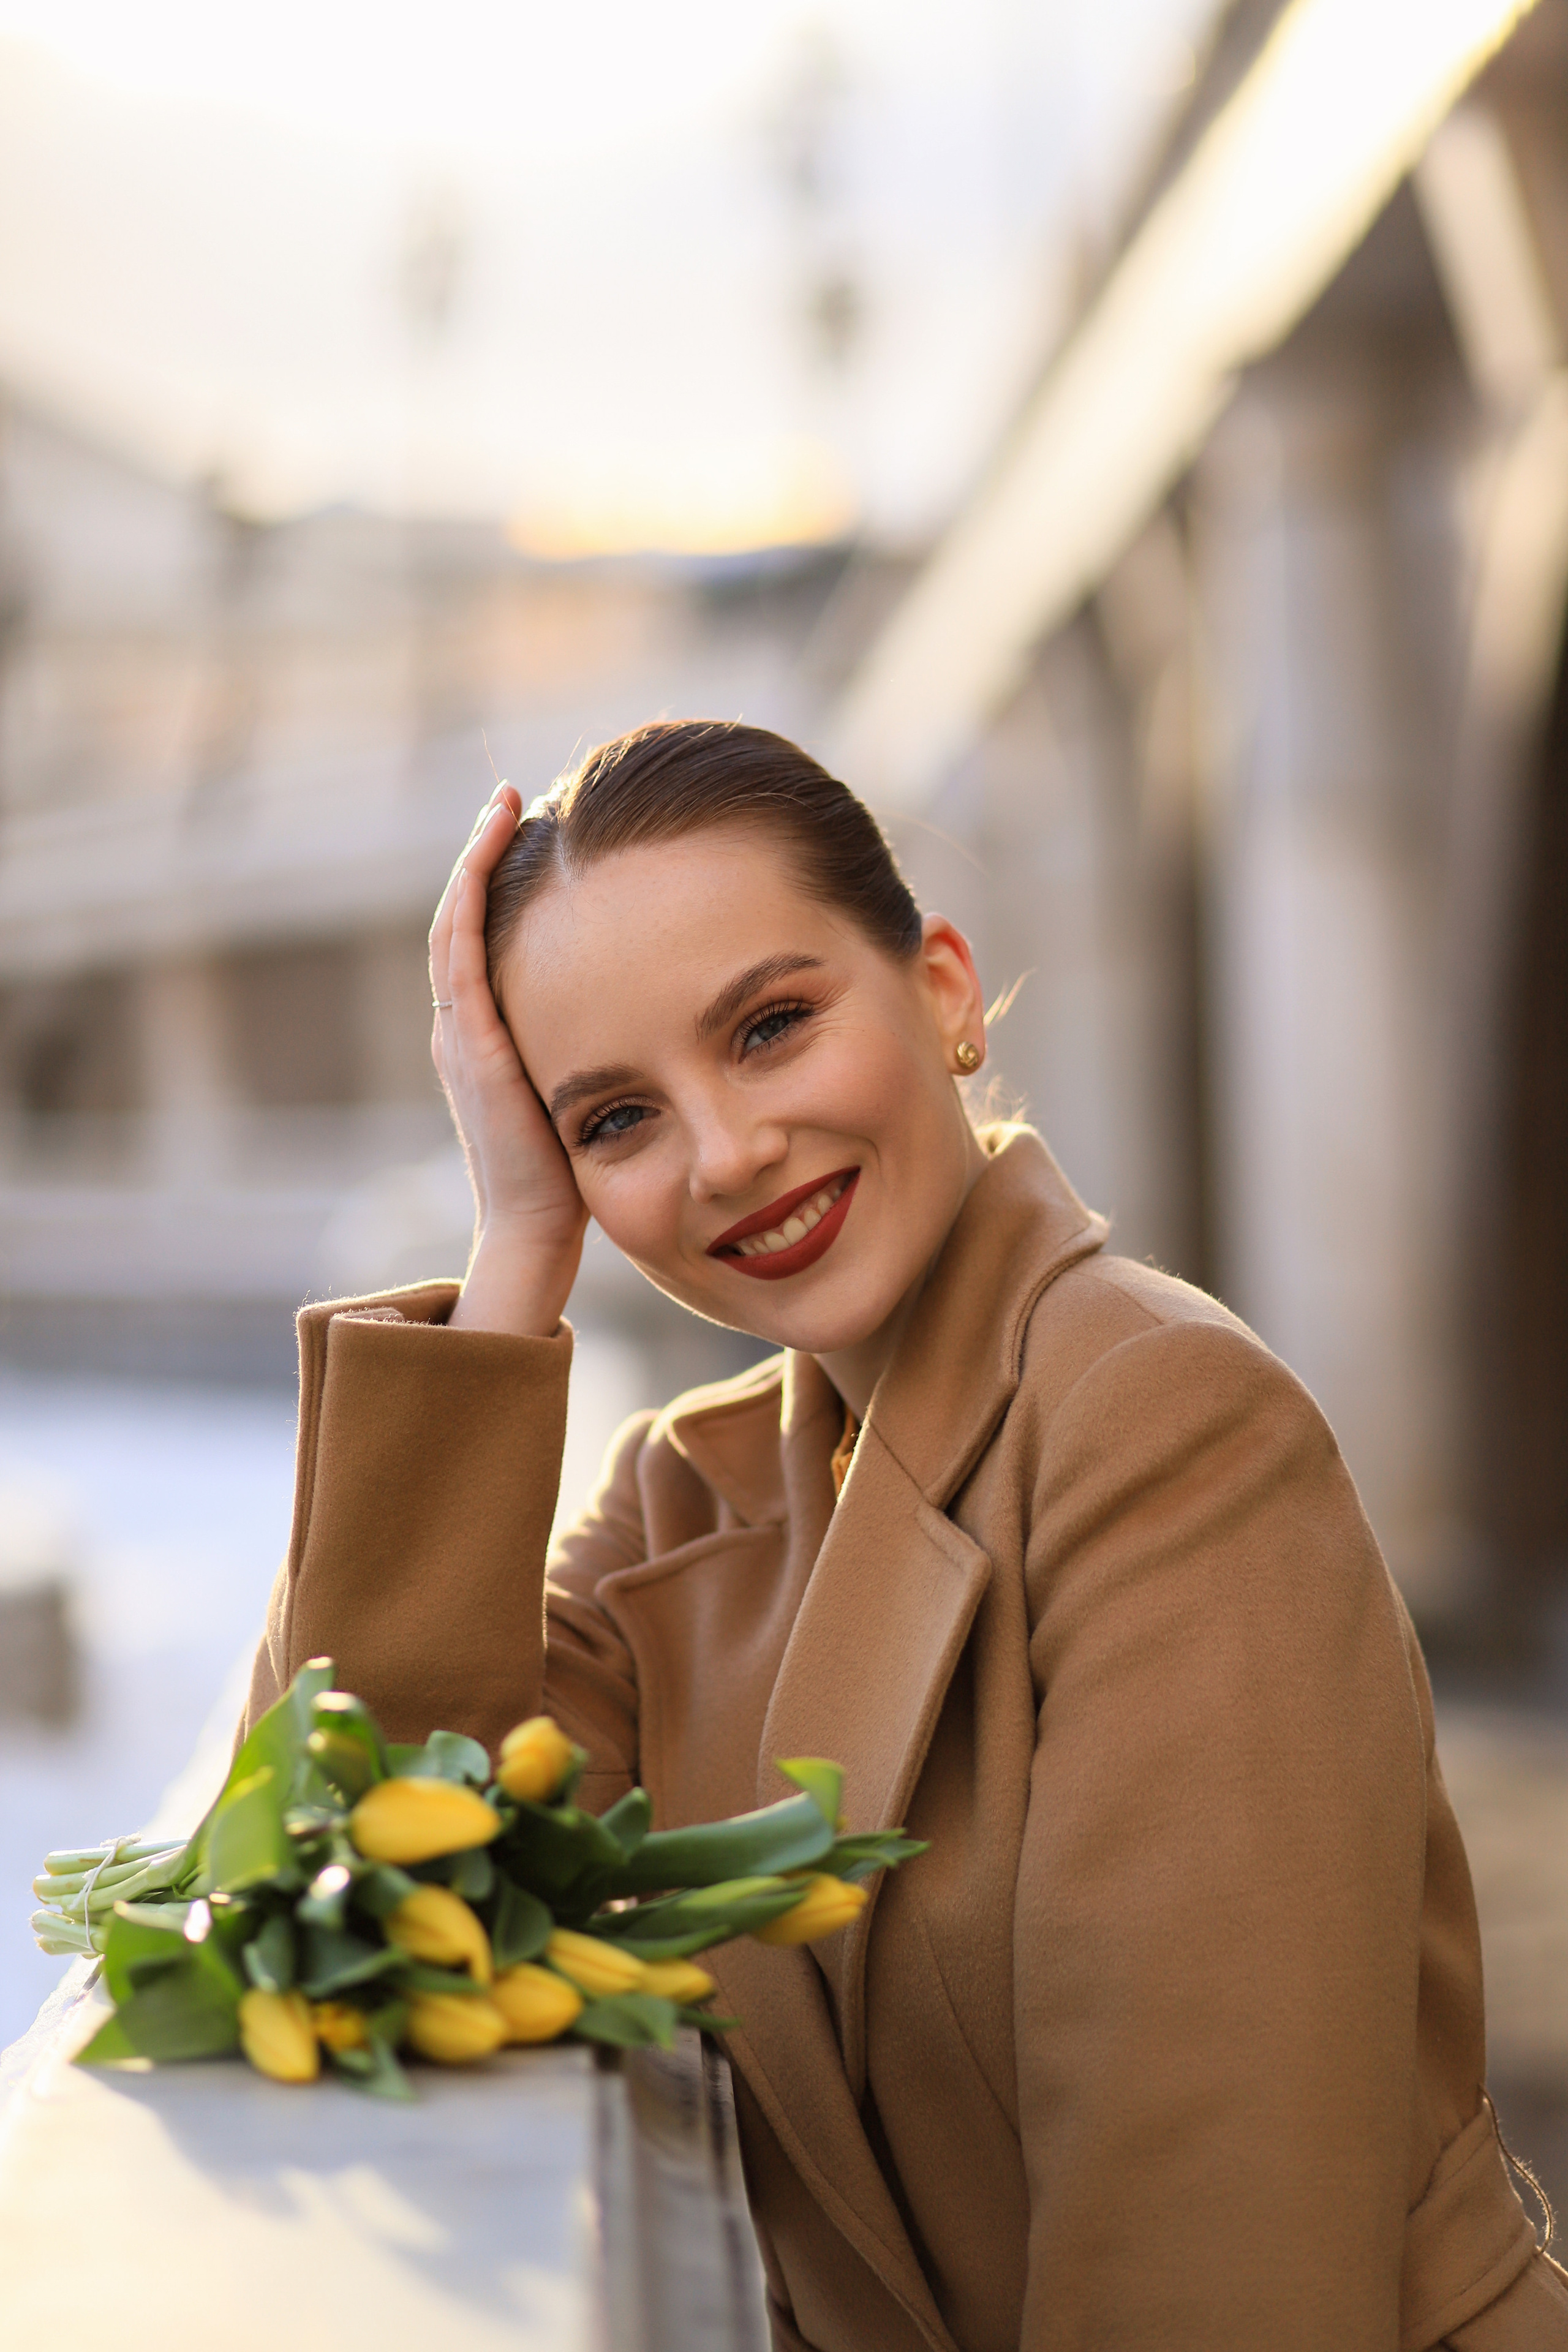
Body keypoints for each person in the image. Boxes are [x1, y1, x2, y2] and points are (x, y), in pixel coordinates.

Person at [245, 718, 1568, 2351]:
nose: (728, 1155)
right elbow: (341, 1887)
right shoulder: (686, 1500)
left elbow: (1210, 2244)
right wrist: (516, 1241)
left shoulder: (1161, 1418)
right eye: (615, 1122)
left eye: (771, 1027)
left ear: (945, 990)